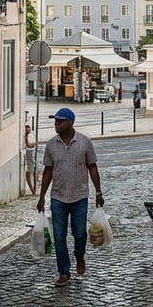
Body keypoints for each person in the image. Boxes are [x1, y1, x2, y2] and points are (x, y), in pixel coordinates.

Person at [36, 107, 104, 287]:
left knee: (80, 234)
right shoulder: (51, 145)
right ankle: (64, 271)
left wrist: (98, 192)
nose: (56, 124)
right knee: (59, 237)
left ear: (71, 123)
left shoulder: (84, 143)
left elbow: (93, 167)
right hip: (58, 197)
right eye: (55, 121)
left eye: (60, 121)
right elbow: (48, 171)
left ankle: (80, 256)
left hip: (79, 197)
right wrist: (42, 196)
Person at [23, 123, 38, 195]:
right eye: (26, 128)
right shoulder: (26, 136)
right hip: (29, 155)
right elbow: (29, 145)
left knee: (33, 172)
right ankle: (32, 189)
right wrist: (34, 143)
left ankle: (34, 188)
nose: (27, 129)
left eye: (28, 127)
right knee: (29, 172)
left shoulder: (31, 135)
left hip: (32, 155)